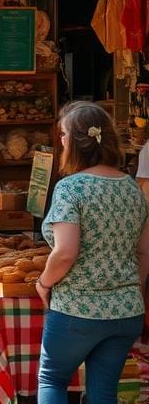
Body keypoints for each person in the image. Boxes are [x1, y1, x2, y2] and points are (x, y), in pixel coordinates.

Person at [36, 102, 149, 404]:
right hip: (126, 311)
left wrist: (44, 283)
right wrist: (126, 290)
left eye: (62, 135)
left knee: (52, 379)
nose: (60, 141)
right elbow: (144, 253)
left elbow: (65, 253)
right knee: (103, 391)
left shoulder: (71, 188)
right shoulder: (132, 188)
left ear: (73, 141)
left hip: (77, 308)